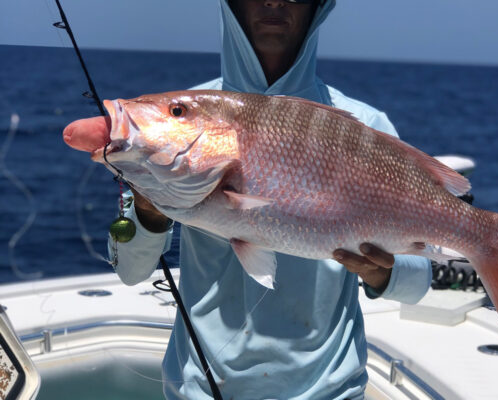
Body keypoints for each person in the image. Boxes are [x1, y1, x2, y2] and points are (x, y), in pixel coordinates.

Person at [110, 1, 431, 399]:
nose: (274, 2)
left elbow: (419, 282)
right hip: (202, 390)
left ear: (317, 8)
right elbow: (129, 270)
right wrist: (145, 208)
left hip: (327, 391)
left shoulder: (363, 125)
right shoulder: (183, 116)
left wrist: (381, 271)